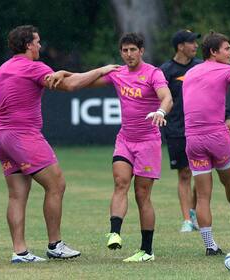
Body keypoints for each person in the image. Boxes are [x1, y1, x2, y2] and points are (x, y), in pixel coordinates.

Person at [0, 25, 118, 263]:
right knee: (56, 184)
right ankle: (55, 245)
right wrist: (102, 70)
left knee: (17, 196)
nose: (40, 46)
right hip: (24, 136)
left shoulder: (3, 68)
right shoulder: (34, 67)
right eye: (37, 42)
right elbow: (70, 86)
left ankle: (20, 252)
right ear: (28, 44)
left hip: (2, 136)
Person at [49, 33, 173, 262]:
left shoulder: (154, 73)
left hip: (148, 142)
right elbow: (79, 81)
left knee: (142, 195)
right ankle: (115, 232)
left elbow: (167, 97)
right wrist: (63, 73)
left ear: (141, 51)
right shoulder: (118, 73)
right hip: (125, 139)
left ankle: (147, 251)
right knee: (120, 183)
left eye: (133, 50)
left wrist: (160, 111)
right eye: (125, 51)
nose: (129, 55)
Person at [160, 30, 230, 233]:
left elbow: (217, 94)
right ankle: (186, 219)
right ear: (180, 46)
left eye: (196, 42)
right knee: (184, 174)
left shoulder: (200, 66)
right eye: (190, 42)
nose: (194, 46)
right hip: (177, 128)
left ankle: (194, 213)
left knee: (202, 175)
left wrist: (227, 116)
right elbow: (159, 96)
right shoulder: (166, 70)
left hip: (202, 130)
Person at [182, 31, 230, 255]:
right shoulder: (225, 69)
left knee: (203, 195)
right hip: (217, 137)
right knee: (229, 180)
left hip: (192, 140)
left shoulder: (190, 72)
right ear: (213, 52)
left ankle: (210, 246)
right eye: (227, 49)